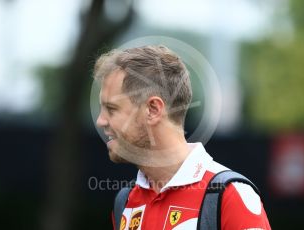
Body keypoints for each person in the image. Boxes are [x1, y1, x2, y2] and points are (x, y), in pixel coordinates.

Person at [93, 45, 271, 230]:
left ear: (153, 109)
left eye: (112, 109)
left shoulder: (231, 195)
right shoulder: (126, 200)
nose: (100, 121)